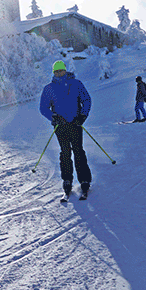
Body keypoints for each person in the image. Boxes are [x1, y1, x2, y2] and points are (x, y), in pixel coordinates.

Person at [39, 60, 93, 200]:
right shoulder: (49, 88)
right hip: (60, 126)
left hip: (75, 123)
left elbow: (86, 100)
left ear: (65, 70)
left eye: (61, 71)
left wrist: (82, 116)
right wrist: (53, 117)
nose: (59, 74)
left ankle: (84, 181)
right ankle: (67, 181)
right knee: (65, 153)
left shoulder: (75, 84)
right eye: (56, 72)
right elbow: (43, 108)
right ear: (53, 73)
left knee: (78, 151)